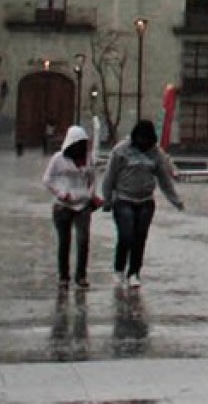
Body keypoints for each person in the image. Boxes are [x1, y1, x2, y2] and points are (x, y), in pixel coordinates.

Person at [101, 119, 184, 288]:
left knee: (140, 237)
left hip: (145, 202)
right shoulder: (121, 150)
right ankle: (119, 269)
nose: (144, 144)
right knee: (126, 235)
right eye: (141, 140)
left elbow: (164, 179)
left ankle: (134, 272)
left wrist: (175, 200)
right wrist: (107, 199)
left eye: (147, 141)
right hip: (123, 200)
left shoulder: (155, 153)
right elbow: (109, 176)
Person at [42, 125, 103, 290]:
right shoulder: (58, 158)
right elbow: (47, 179)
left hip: (83, 206)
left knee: (83, 241)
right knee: (64, 242)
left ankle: (81, 275)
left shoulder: (89, 158)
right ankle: (64, 276)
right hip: (63, 206)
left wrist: (92, 196)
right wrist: (61, 193)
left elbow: (92, 179)